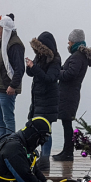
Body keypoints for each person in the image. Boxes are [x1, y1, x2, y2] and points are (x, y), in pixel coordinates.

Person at [53, 29, 91, 162]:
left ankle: (68, 153)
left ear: (75, 41)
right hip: (70, 94)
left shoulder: (77, 56)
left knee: (67, 124)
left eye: (70, 40)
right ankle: (66, 151)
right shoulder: (78, 56)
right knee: (66, 123)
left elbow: (70, 74)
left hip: (68, 95)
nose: (68, 42)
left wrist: (57, 73)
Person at [25, 31, 61, 172]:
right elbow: (33, 73)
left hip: (48, 100)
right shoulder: (40, 57)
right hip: (37, 99)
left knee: (45, 131)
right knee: (35, 129)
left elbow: (49, 78)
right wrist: (30, 67)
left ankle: (45, 159)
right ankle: (38, 157)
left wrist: (35, 68)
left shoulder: (55, 60)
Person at [0, 14, 25, 138]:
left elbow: (20, 69)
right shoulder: (4, 42)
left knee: (7, 117)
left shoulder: (15, 45)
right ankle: (3, 142)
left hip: (7, 87)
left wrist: (13, 86)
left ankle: (10, 145)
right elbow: (5, 62)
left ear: (6, 29)